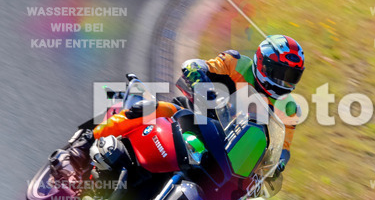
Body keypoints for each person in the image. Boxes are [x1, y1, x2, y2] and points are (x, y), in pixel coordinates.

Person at [56, 34, 305, 188]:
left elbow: (283, 146)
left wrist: (276, 166)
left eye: (291, 77)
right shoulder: (238, 63)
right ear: (262, 62)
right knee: (154, 109)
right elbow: (198, 65)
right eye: (279, 73)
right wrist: (199, 78)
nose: (283, 82)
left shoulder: (288, 107)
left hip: (224, 150)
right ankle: (85, 144)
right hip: (191, 115)